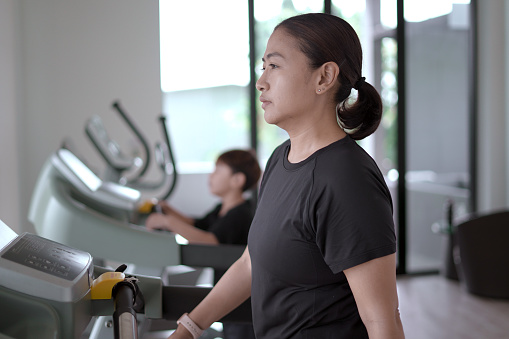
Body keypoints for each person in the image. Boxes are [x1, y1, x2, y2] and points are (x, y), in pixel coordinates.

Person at [169, 13, 405, 339]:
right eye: (263, 66)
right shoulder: (280, 158)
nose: (261, 80)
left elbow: (383, 322)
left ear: (324, 77)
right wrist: (189, 328)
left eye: (275, 66)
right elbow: (251, 263)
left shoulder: (348, 181)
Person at [145, 149, 261, 339]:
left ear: (237, 180)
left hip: (240, 296)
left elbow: (210, 241)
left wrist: (167, 222)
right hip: (226, 289)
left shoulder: (240, 214)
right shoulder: (223, 209)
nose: (211, 176)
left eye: (217, 171)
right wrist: (168, 210)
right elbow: (197, 225)